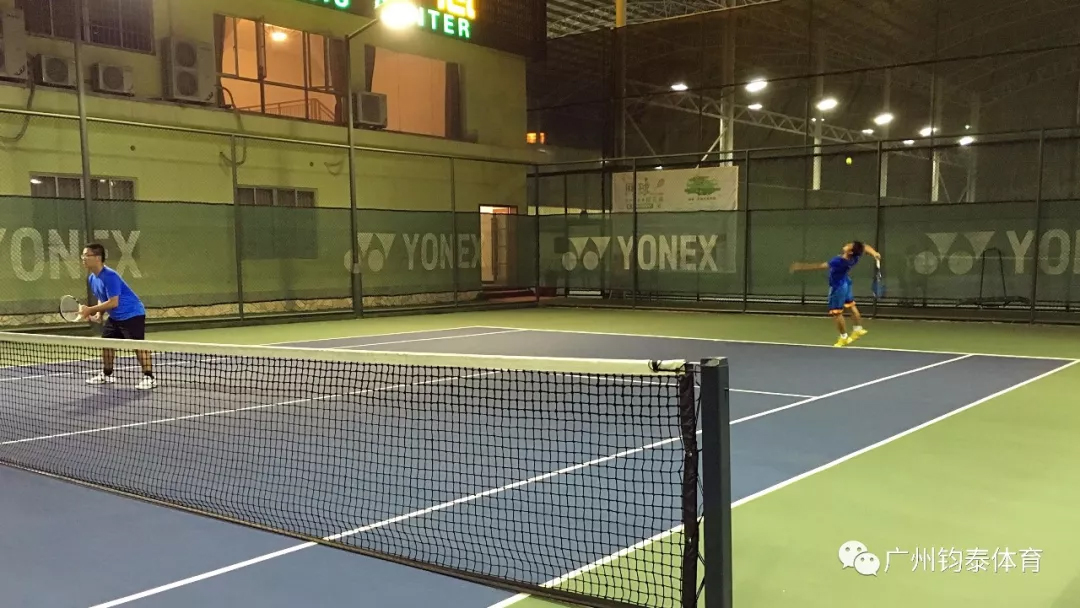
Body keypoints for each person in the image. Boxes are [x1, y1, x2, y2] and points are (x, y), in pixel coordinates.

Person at [78, 243, 156, 389]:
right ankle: (107, 374)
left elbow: (114, 302)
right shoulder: (92, 278)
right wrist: (98, 314)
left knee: (138, 345)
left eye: (87, 255)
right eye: (83, 255)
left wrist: (89, 310)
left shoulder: (110, 276)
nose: (83, 258)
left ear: (97, 258)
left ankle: (149, 377)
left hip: (132, 313)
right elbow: (102, 296)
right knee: (107, 343)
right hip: (115, 317)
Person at [790, 240, 881, 347]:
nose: (847, 245)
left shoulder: (838, 261)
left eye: (849, 245)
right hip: (846, 282)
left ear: (850, 252)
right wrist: (875, 253)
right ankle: (858, 329)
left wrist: (800, 267)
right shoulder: (855, 256)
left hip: (838, 287)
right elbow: (864, 246)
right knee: (851, 306)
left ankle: (844, 338)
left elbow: (820, 266)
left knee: (836, 313)